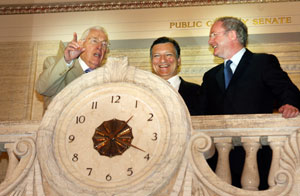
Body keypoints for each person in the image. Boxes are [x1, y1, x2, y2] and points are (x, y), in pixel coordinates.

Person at [201, 16, 300, 190]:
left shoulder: (262, 62)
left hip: (257, 156)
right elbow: (202, 110)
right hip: (221, 158)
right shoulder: (210, 76)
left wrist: (289, 104)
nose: (210, 41)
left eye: (214, 35)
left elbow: (287, 90)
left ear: (232, 35)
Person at [36, 26, 110, 109]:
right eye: (94, 41)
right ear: (81, 44)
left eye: (104, 44)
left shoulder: (106, 79)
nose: (99, 47)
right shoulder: (56, 64)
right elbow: (42, 88)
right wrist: (67, 60)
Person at [150, 36, 202, 115]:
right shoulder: (143, 92)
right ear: (151, 61)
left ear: (178, 60)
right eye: (157, 56)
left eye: (168, 55)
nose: (163, 60)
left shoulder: (198, 92)